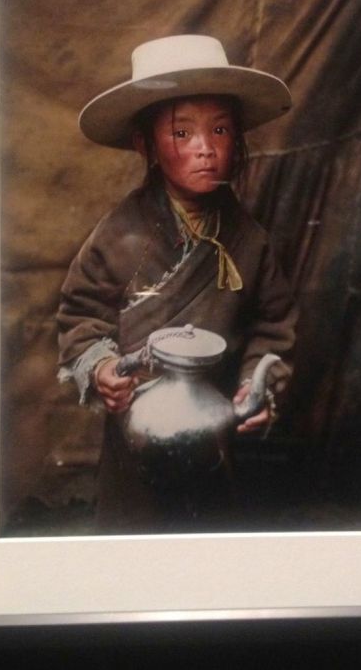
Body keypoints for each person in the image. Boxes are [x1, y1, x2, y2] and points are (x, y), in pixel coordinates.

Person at [57, 34, 298, 533]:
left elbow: (273, 326)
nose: (206, 149)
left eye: (220, 129)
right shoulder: (119, 235)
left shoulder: (251, 241)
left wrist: (259, 386)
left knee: (212, 547)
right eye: (182, 133)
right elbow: (80, 317)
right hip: (138, 434)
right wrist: (101, 367)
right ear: (145, 144)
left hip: (217, 430)